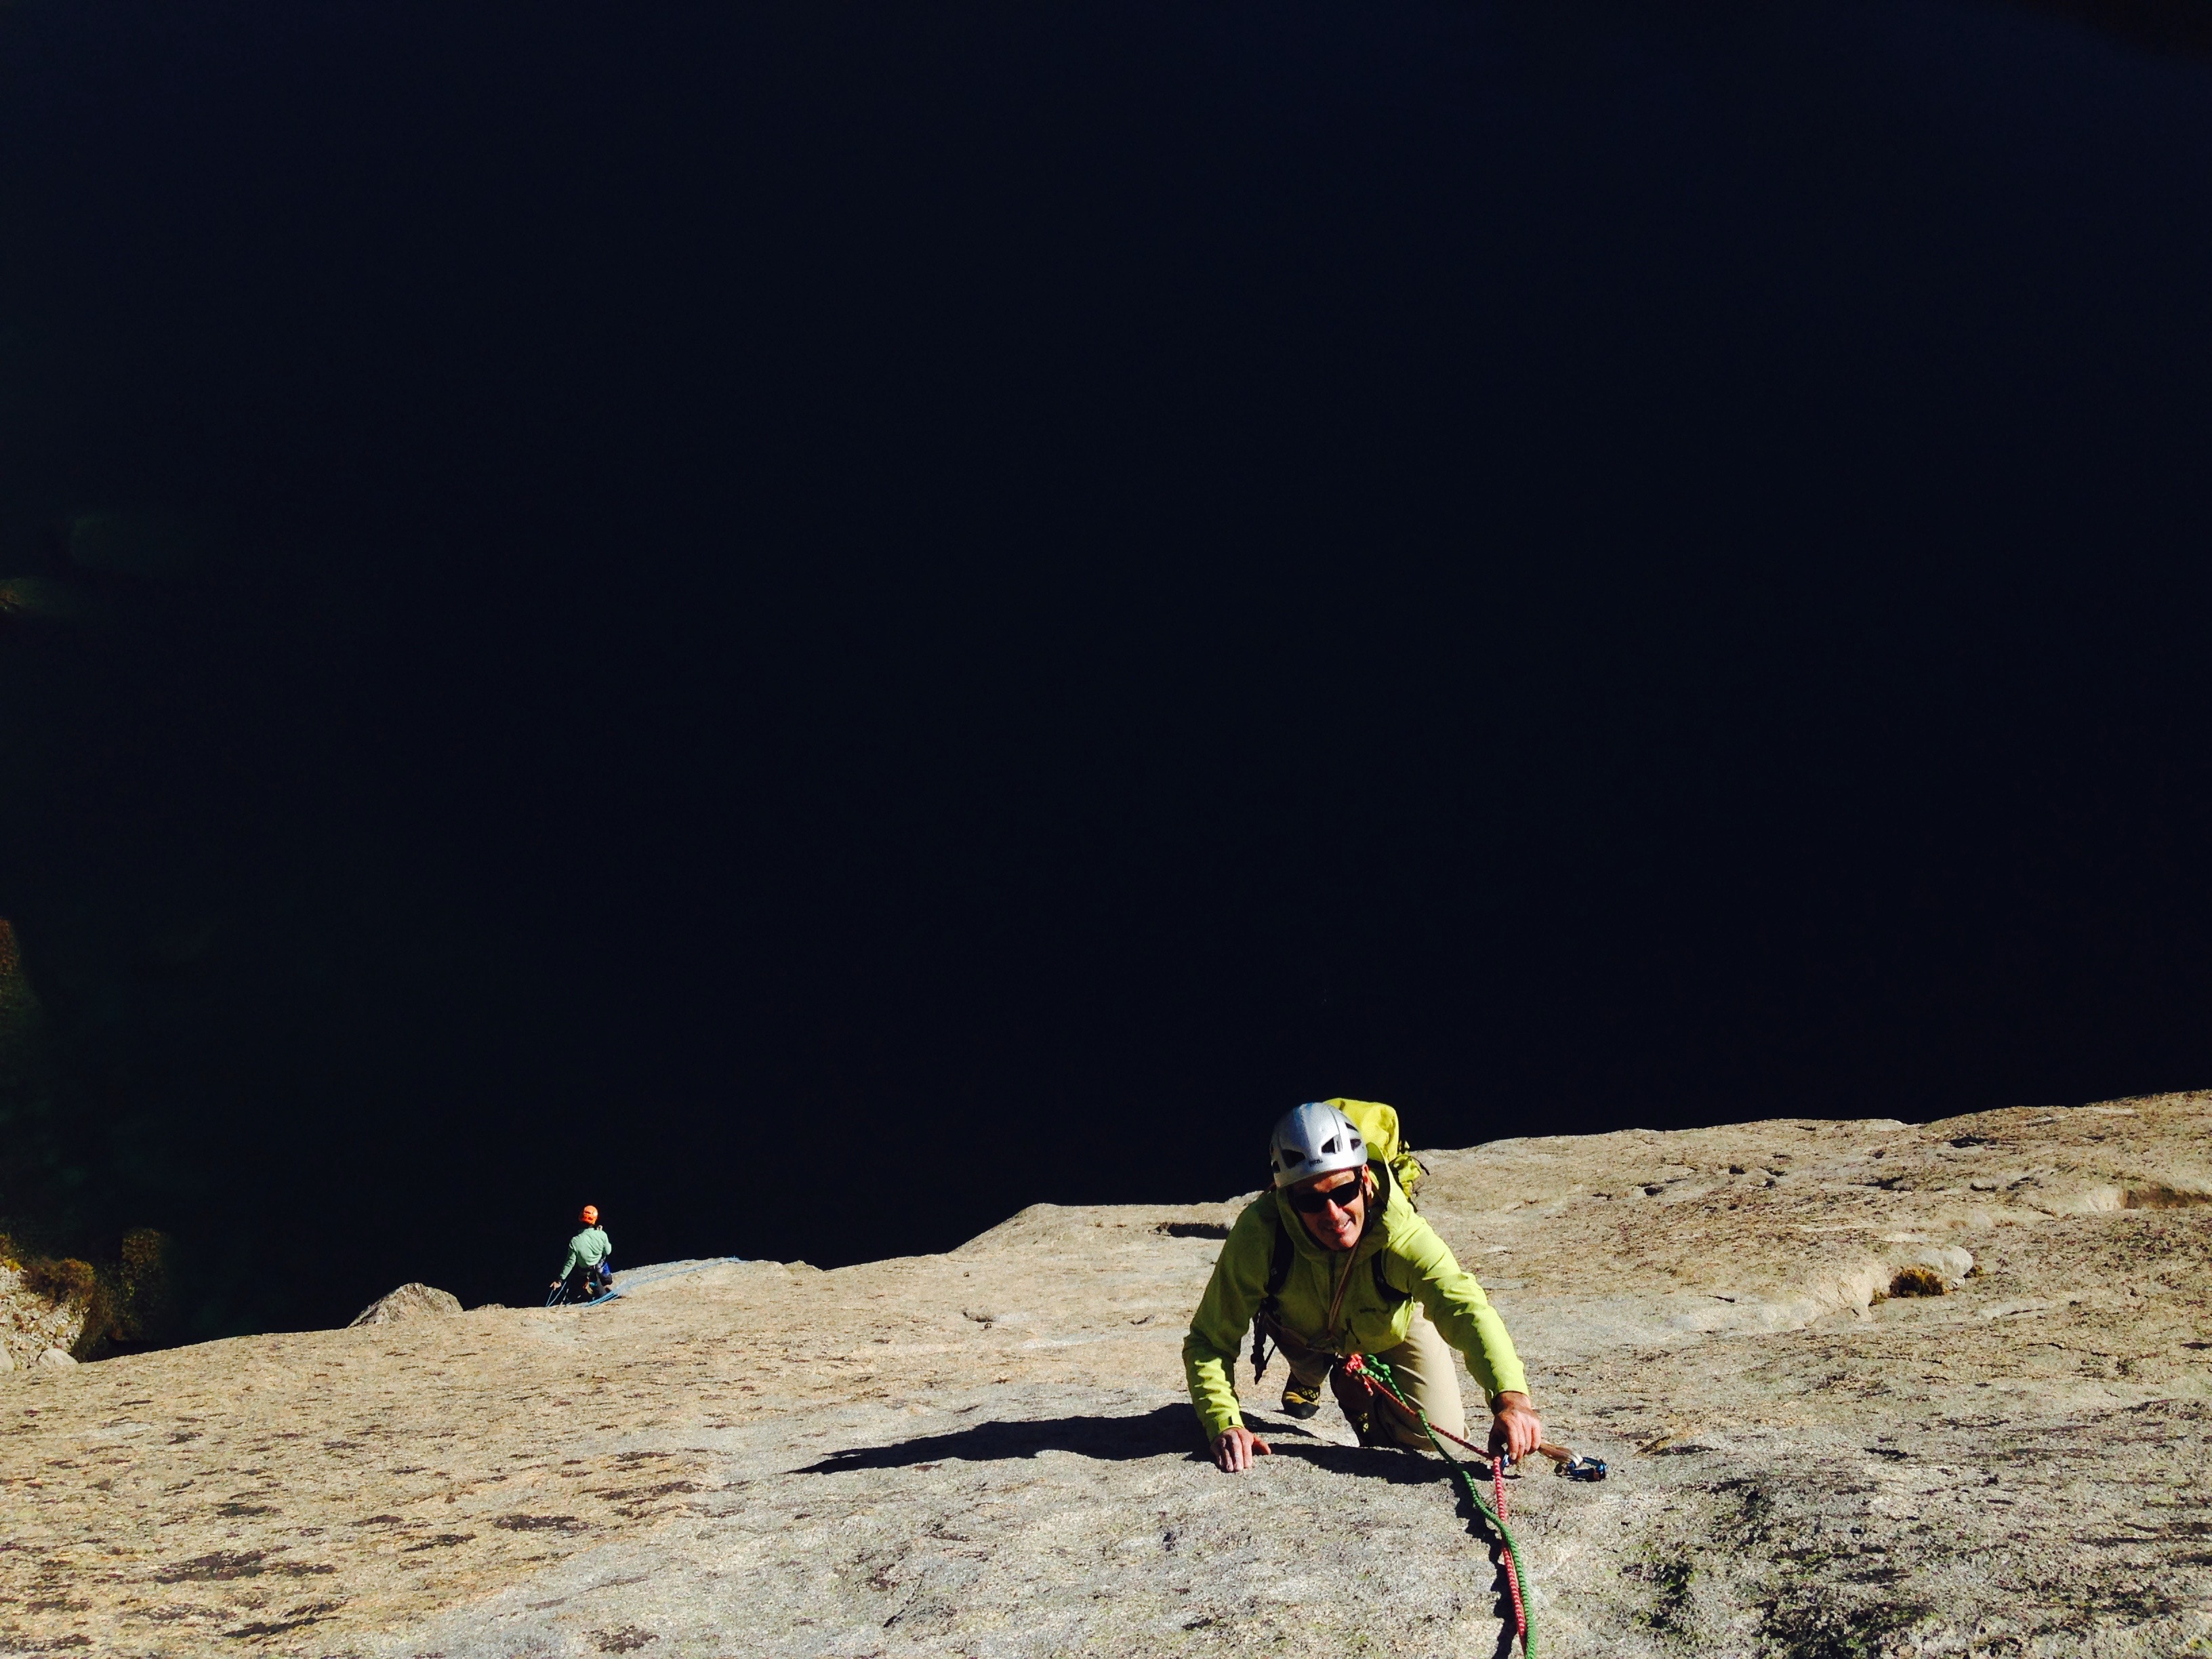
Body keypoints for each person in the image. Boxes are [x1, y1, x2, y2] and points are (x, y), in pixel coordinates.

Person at [1183, 1101, 1543, 1473]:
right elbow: (1209, 1340)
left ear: (1365, 1178)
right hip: (1301, 1329)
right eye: (1310, 1199)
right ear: (1286, 1199)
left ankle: (1348, 1382)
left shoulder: (1399, 1234)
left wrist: (1511, 1399)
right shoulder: (1260, 1235)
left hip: (1386, 1327)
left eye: (1343, 1191)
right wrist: (1224, 1422)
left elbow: (1466, 1309)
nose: (1333, 1215)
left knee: (1433, 1437)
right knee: (1302, 1343)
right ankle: (1310, 1374)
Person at [551, 1204, 613, 1303]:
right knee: (603, 1288)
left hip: (584, 1273)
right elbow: (608, 1252)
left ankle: (589, 1290)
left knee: (581, 1287)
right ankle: (602, 1287)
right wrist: (601, 1235)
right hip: (601, 1270)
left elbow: (570, 1263)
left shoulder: (575, 1241)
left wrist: (559, 1280)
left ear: (580, 1219)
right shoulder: (602, 1234)